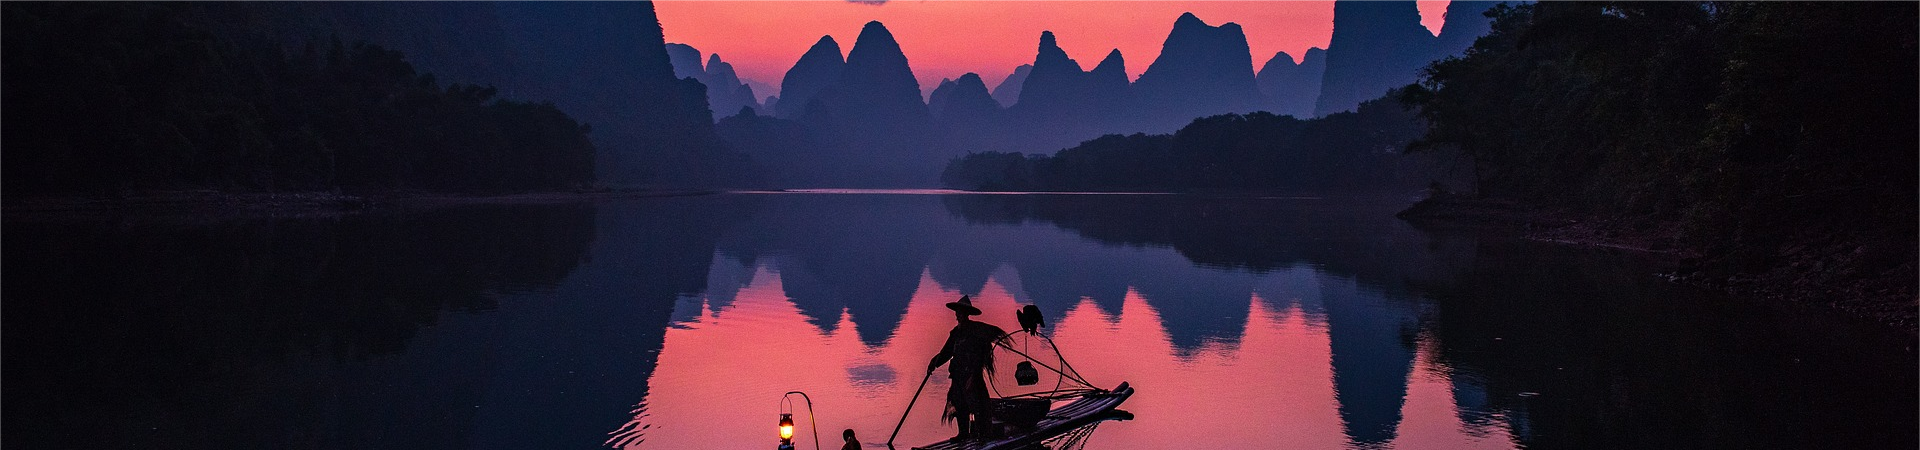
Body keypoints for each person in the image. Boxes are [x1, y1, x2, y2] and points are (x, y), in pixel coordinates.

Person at [926, 295, 1008, 440]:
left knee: (978, 405)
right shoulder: (956, 332)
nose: (958, 315)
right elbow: (946, 352)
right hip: (958, 375)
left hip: (971, 375)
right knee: (959, 404)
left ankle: (982, 435)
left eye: (961, 312)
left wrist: (974, 375)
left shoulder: (975, 332)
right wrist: (934, 363)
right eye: (957, 312)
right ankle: (963, 434)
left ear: (966, 314)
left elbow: (979, 356)